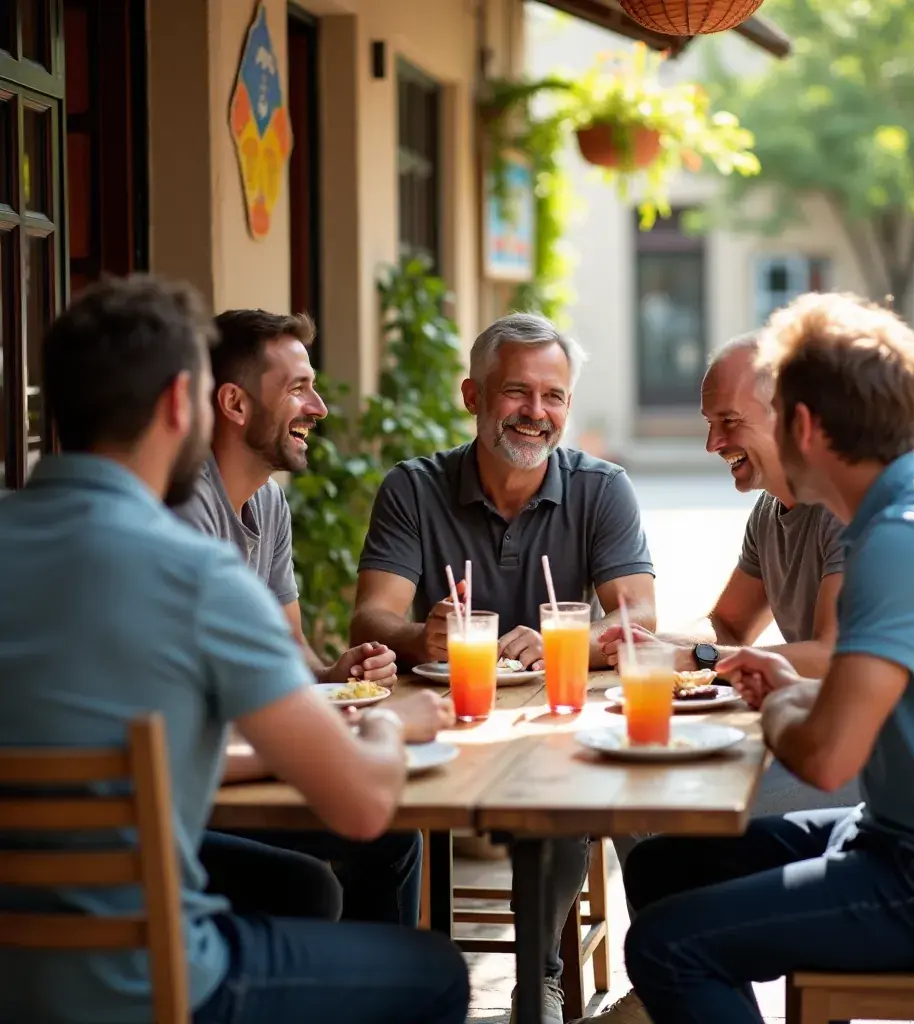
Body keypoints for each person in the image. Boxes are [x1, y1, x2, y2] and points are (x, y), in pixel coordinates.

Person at [0, 276, 468, 1024]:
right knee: (438, 972)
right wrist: (389, 724)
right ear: (184, 405)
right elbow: (362, 802)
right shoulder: (192, 571)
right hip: (148, 985)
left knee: (303, 889)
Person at [622, 291, 914, 1024]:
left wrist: (777, 703)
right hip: (907, 837)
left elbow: (828, 761)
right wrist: (786, 677)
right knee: (664, 864)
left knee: (664, 944)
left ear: (802, 425)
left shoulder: (904, 540)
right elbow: (860, 699)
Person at [351, 312, 657, 1023]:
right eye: (517, 393)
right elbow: (371, 617)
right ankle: (389, 990)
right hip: (445, 722)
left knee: (638, 789)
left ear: (568, 407)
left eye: (552, 397)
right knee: (381, 813)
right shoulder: (414, 487)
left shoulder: (601, 489)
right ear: (473, 396)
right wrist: (417, 636)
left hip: (558, 719)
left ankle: (586, 980)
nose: (535, 413)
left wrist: (566, 643)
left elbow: (638, 614)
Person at [581, 331, 852, 1024]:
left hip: (860, 758)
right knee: (637, 802)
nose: (711, 445)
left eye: (728, 423)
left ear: (789, 413)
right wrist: (647, 642)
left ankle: (672, 978)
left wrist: (698, 661)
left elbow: (833, 651)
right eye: (708, 424)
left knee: (651, 802)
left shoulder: (845, 510)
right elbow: (728, 626)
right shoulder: (773, 512)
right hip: (808, 733)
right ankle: (683, 987)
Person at [173, 308, 424, 928]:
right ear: (233, 404)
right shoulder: (184, 514)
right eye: (296, 388)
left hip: (231, 762)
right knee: (356, 845)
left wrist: (335, 671)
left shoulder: (269, 503)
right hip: (198, 786)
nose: (319, 406)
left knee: (391, 834)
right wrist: (376, 725)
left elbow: (289, 654)